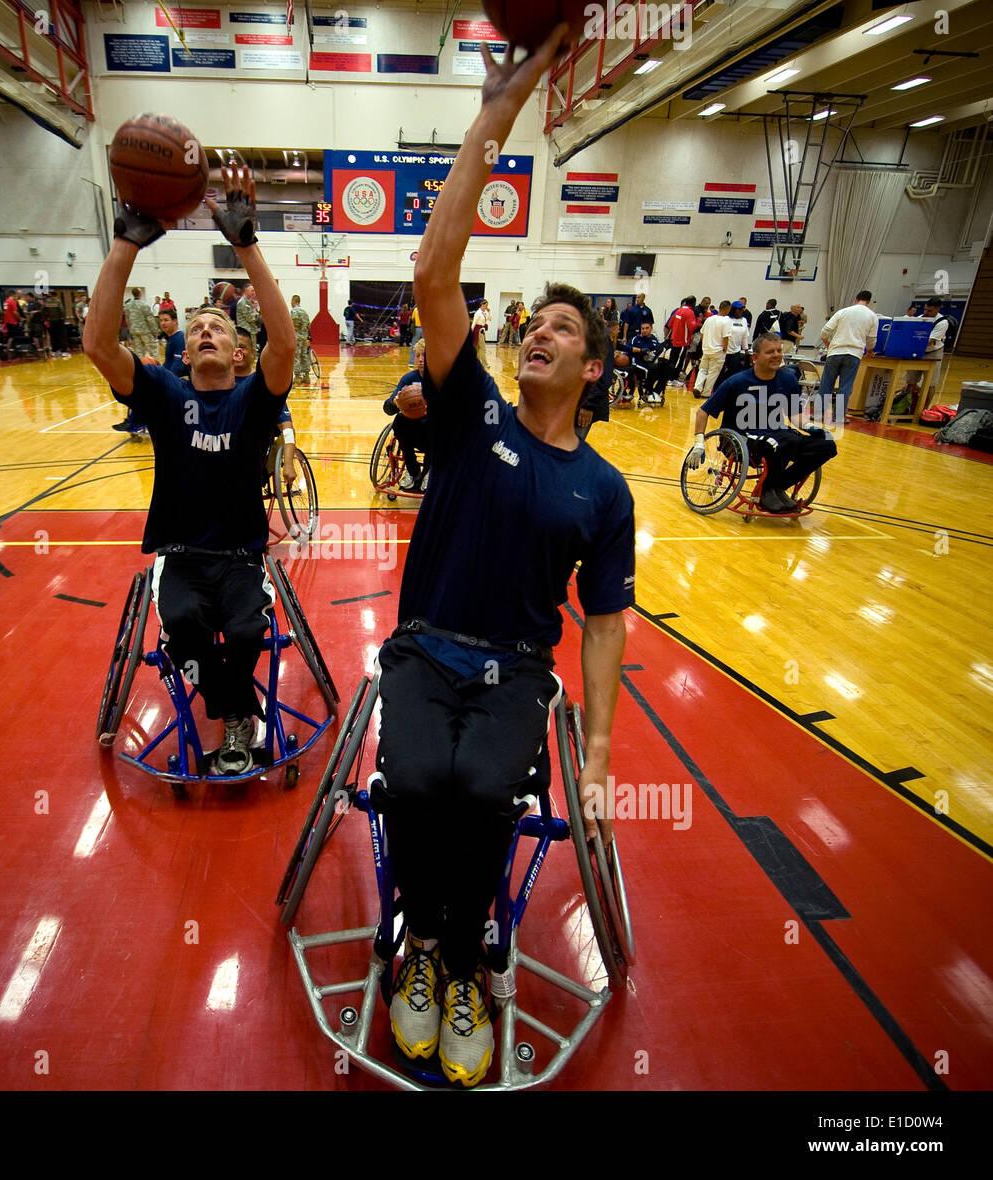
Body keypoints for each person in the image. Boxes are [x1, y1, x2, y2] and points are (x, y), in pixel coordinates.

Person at [377, 28, 634, 1089]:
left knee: (483, 786)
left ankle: (452, 954)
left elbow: (608, 619)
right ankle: (436, 950)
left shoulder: (603, 489)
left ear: (592, 364)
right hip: (425, 646)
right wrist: (499, 108)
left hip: (517, 669)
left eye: (564, 327)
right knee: (416, 778)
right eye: (535, 319)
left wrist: (605, 746)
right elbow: (436, 265)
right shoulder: (472, 404)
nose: (539, 330)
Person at [83, 165, 295, 776]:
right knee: (181, 627)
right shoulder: (163, 393)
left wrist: (247, 246)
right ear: (187, 349)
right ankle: (235, 714)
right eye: (197, 327)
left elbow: (284, 345)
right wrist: (124, 242)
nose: (205, 331)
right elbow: (99, 344)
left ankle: (232, 712)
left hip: (239, 556)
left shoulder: (255, 398)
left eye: (218, 327)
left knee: (247, 632)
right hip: (180, 554)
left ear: (238, 351)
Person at [687, 332, 837, 513]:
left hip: (778, 435)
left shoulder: (788, 379)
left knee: (826, 445)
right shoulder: (737, 382)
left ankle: (776, 486)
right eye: (770, 352)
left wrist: (811, 427)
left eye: (779, 350)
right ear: (755, 357)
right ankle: (769, 491)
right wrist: (698, 444)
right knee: (782, 441)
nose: (776, 355)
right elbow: (703, 412)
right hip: (740, 438)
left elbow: (795, 415)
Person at [817, 291, 876, 422]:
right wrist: (870, 351)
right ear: (869, 302)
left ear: (856, 299)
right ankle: (838, 417)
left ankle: (818, 413)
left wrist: (828, 343)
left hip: (836, 351)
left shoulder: (843, 311)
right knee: (845, 386)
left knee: (826, 384)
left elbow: (825, 331)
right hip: (854, 354)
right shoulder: (872, 316)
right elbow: (871, 340)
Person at [382, 337, 431, 491]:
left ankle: (429, 473)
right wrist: (396, 403)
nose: (421, 360)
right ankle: (412, 471)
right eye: (418, 356)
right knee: (399, 420)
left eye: (425, 355)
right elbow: (387, 408)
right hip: (413, 434)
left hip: (436, 435)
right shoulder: (409, 379)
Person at [694, 298, 732, 400]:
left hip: (706, 349)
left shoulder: (709, 319)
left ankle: (697, 387)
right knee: (713, 372)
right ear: (728, 309)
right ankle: (706, 392)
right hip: (718, 350)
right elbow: (725, 337)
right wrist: (725, 349)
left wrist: (704, 344)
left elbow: (702, 333)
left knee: (702, 369)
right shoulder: (726, 321)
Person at [629, 321, 668, 404]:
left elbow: (657, 352)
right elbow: (628, 350)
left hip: (651, 362)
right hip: (638, 363)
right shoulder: (635, 339)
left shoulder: (654, 339)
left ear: (651, 329)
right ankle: (648, 392)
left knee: (669, 366)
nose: (644, 330)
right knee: (653, 367)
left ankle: (656, 392)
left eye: (647, 328)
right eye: (642, 328)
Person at [124, 286, 158, 360]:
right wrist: (155, 331)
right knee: (153, 351)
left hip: (134, 331)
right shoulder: (144, 305)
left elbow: (127, 319)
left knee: (139, 352)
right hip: (145, 331)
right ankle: (157, 368)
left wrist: (130, 329)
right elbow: (150, 319)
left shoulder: (127, 306)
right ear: (140, 294)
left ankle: (141, 368)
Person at [290, 294, 312, 384]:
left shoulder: (294, 311)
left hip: (296, 337)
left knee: (296, 356)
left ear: (294, 301)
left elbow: (293, 325)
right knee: (304, 355)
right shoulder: (304, 311)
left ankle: (297, 377)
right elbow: (308, 325)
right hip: (304, 336)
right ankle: (306, 376)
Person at [235, 283, 261, 349]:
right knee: (249, 350)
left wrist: (255, 314)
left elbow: (254, 314)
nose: (254, 292)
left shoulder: (248, 301)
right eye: (252, 290)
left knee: (253, 349)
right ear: (246, 291)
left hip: (251, 330)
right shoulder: (242, 302)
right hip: (246, 331)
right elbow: (249, 318)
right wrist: (256, 315)